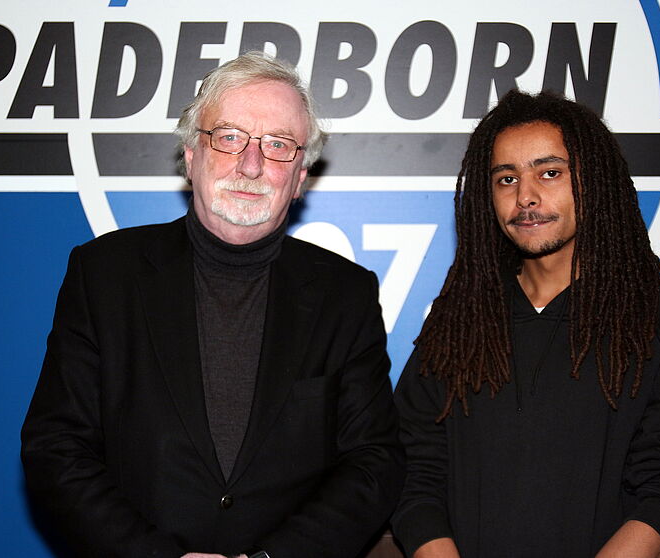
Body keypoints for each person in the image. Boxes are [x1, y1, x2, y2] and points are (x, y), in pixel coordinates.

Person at [21, 52, 403, 558]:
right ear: (191, 155)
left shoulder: (345, 294)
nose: (251, 164)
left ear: (302, 177)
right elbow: (56, 448)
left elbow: (373, 462)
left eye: (278, 145)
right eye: (229, 137)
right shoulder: (105, 274)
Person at [390, 90, 660, 558]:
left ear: (593, 181)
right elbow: (414, 466)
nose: (526, 196)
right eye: (506, 179)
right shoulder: (459, 323)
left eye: (549, 173)